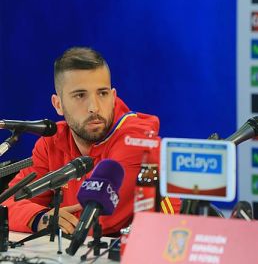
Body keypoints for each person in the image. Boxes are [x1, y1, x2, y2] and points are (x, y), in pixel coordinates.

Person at [5, 47, 181, 235]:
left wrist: (54, 220)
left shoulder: (136, 140)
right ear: (58, 105)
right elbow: (8, 204)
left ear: (113, 97)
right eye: (80, 95)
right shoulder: (51, 143)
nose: (94, 107)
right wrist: (40, 218)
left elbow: (98, 222)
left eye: (102, 93)